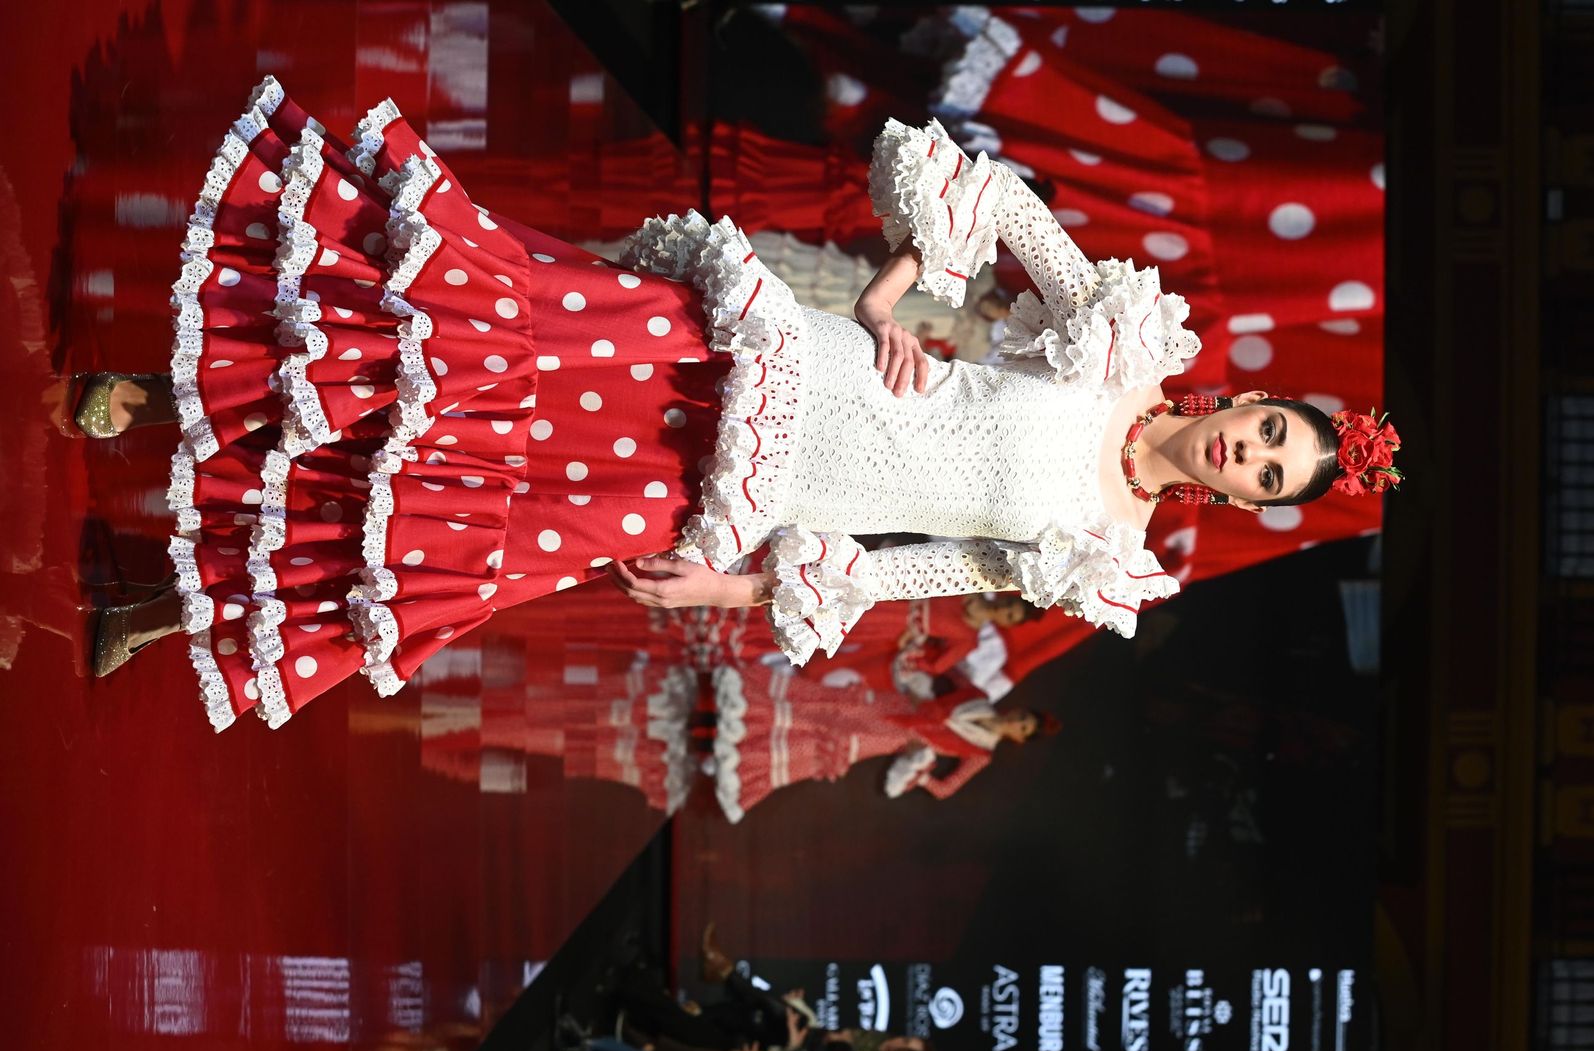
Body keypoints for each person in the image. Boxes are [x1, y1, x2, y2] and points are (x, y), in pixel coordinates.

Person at [77, 76, 1402, 729]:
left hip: (741, 493)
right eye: (1274, 429)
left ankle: (176, 593)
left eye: (1267, 474)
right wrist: (897, 292)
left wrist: (735, 593)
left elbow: (907, 577)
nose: (1251, 451)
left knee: (465, 527)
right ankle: (152, 391)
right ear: (1256, 401)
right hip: (749, 359)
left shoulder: (1095, 555)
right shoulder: (1118, 343)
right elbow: (988, 195)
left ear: (1240, 502)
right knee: (474, 335)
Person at [882, 688, 1061, 800]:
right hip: (901, 703)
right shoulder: (978, 697)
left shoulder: (981, 754)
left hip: (898, 737)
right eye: (1022, 717)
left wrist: (920, 773)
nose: (1015, 723)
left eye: (1022, 729)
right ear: (1018, 709)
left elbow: (945, 790)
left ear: (1019, 739)